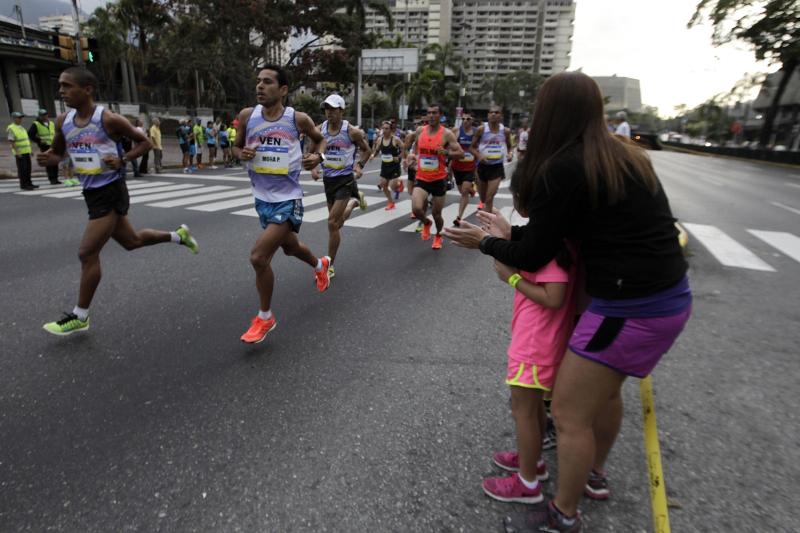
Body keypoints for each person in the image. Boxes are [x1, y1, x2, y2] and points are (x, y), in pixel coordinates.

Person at [444, 71, 691, 532]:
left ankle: (562, 512)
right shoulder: (622, 155)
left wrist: (485, 244)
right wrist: (509, 234)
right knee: (606, 393)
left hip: (628, 307)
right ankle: (592, 476)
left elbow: (535, 253)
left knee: (569, 412)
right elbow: (555, 238)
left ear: (550, 112)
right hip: (665, 297)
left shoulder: (566, 165)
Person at [36, 67, 199, 336]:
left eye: (67, 86)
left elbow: (144, 143)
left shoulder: (109, 120)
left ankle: (80, 316)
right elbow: (58, 154)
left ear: (87, 90)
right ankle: (178, 236)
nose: (61, 91)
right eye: (60, 86)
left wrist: (122, 159)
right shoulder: (63, 121)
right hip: (90, 192)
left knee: (87, 253)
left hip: (111, 190)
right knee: (131, 241)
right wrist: (48, 159)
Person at [481, 171, 577, 506]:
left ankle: (527, 484)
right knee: (532, 407)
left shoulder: (548, 247)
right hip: (537, 339)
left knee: (522, 409)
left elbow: (554, 296)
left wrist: (511, 279)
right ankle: (532, 462)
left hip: (536, 344)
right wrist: (503, 239)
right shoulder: (549, 237)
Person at [233, 65, 331, 344]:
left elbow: (320, 141)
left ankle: (265, 317)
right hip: (262, 198)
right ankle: (319, 264)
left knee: (259, 257)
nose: (259, 87)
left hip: (288, 199)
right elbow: (236, 147)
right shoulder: (247, 116)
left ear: (284, 90)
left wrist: (319, 158)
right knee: (290, 247)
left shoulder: (297, 119)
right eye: (258, 82)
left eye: (267, 82)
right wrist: (243, 153)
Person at [311, 93, 370, 277]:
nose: (329, 112)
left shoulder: (351, 131)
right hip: (329, 180)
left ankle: (328, 266)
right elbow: (312, 150)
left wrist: (359, 165)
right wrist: (313, 167)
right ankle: (354, 203)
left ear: (341, 111)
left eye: (333, 109)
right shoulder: (320, 130)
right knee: (336, 224)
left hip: (345, 180)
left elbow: (366, 150)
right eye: (326, 109)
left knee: (331, 223)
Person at [407, 104, 464, 250]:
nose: (431, 115)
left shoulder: (447, 134)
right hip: (422, 177)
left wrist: (446, 153)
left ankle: (438, 235)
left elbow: (461, 154)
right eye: (429, 113)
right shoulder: (420, 130)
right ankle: (426, 223)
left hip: (439, 179)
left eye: (434, 113)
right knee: (416, 209)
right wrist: (412, 156)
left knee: (437, 214)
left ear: (440, 116)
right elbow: (415, 146)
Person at [470, 105, 513, 214]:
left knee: (489, 198)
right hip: (482, 166)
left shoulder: (505, 131)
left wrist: (510, 154)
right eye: (491, 112)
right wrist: (479, 156)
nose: (493, 114)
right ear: (488, 115)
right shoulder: (482, 129)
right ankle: (489, 212)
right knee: (484, 199)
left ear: (501, 116)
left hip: (496, 167)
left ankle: (486, 226)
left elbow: (510, 146)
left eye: (496, 112)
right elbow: (471, 147)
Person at [450, 112, 478, 226]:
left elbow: (479, 148)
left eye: (468, 118)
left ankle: (459, 217)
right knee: (462, 191)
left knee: (464, 192)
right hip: (457, 167)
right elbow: (449, 147)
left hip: (470, 167)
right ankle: (472, 190)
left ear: (472, 120)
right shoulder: (456, 132)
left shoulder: (476, 133)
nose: (465, 120)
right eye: (463, 118)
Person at [371, 120, 405, 210]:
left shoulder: (395, 139)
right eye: (383, 128)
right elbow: (377, 150)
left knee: (393, 187)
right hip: (385, 166)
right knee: (383, 184)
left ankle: (399, 183)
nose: (385, 130)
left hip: (394, 166)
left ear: (390, 130)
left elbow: (404, 148)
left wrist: (399, 157)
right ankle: (391, 202)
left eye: (387, 128)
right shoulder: (380, 139)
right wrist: (373, 155)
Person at [28, 109, 61, 184]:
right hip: (45, 146)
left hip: (53, 145)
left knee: (55, 162)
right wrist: (39, 141)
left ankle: (56, 178)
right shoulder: (36, 124)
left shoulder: (52, 123)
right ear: (40, 116)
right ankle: (52, 179)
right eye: (43, 115)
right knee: (48, 162)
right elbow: (30, 134)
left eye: (46, 115)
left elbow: (56, 133)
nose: (45, 116)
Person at [7, 112, 36, 190]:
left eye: (21, 118)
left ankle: (29, 183)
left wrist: (30, 150)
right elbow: (11, 141)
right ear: (14, 118)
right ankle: (24, 185)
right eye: (19, 118)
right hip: (20, 153)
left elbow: (25, 141)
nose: (21, 119)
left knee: (28, 169)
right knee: (22, 169)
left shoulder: (21, 127)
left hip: (26, 152)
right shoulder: (11, 128)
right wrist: (17, 152)